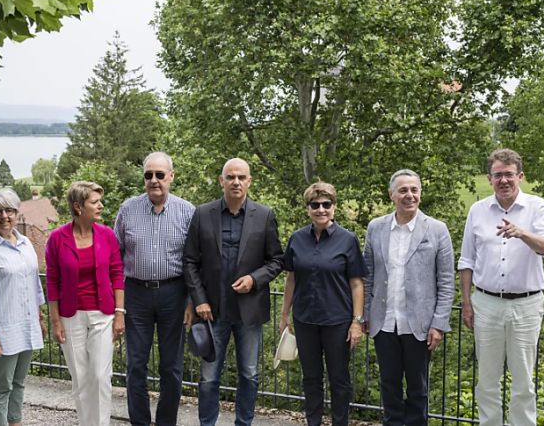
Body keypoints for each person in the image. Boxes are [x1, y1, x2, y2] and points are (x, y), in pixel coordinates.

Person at [459, 149, 544, 426]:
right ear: (490, 179)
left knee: (524, 381)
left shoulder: (537, 207)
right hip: (486, 303)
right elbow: (466, 260)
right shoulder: (477, 211)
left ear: (520, 177)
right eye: (498, 175)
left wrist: (522, 233)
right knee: (487, 380)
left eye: (509, 174)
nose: (504, 180)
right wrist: (467, 304)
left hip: (526, 304)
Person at [183, 157, 284, 426]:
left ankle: (244, 423)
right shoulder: (203, 213)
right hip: (211, 312)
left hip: (249, 311)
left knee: (249, 374)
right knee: (208, 377)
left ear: (249, 181)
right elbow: (190, 261)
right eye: (231, 177)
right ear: (222, 181)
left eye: (241, 177)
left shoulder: (264, 215)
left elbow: (277, 260)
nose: (236, 182)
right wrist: (199, 301)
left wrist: (254, 278)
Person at [363, 169, 455, 426]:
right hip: (384, 322)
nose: (409, 195)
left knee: (418, 389)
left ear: (420, 194)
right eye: (403, 190)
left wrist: (439, 323)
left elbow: (446, 282)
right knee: (389, 386)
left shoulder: (437, 230)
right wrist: (365, 315)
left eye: (414, 190)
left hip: (421, 325)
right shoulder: (376, 228)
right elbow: (367, 276)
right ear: (392, 195)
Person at [114, 152, 195, 426]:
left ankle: (165, 422)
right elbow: (116, 258)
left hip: (174, 294)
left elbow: (195, 261)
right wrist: (119, 305)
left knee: (171, 367)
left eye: (160, 175)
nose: (154, 180)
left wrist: (192, 301)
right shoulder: (127, 209)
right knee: (135, 365)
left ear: (171, 176)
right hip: (136, 294)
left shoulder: (187, 211)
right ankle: (139, 422)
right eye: (148, 175)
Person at [279, 182, 365, 426]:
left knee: (339, 379)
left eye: (326, 204)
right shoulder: (296, 239)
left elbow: (357, 283)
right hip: (305, 320)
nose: (321, 209)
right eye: (315, 205)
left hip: (337, 322)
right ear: (308, 209)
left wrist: (356, 322)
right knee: (311, 379)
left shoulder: (348, 240)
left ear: (334, 208)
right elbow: (291, 279)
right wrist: (285, 315)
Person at [45, 181, 125, 426]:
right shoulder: (57, 239)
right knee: (80, 380)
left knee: (100, 376)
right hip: (71, 317)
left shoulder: (107, 235)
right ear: (78, 207)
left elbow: (116, 273)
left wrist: (120, 313)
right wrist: (56, 320)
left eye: (100, 201)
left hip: (103, 315)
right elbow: (53, 281)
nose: (101, 205)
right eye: (95, 202)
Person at [0, 188, 47, 426]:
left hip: (26, 325)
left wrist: (40, 318)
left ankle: (15, 423)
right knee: (1, 387)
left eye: (9, 210)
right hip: (0, 330)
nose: (4, 216)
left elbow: (34, 285)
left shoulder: (25, 244)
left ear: (16, 213)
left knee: (19, 383)